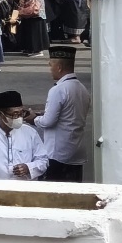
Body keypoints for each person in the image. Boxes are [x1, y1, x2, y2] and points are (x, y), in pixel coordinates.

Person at [28, 46, 90, 182]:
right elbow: (69, 114)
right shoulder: (81, 88)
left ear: (59, 67)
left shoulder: (58, 90)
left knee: (51, 194)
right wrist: (42, 114)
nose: (50, 69)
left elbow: (48, 122)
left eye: (51, 65)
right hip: (76, 152)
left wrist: (34, 119)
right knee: (74, 194)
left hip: (58, 153)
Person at [0, 90, 49, 181]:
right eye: (14, 114)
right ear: (0, 115)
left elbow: (43, 160)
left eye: (21, 113)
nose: (19, 118)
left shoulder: (30, 133)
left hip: (24, 192)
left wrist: (29, 168)